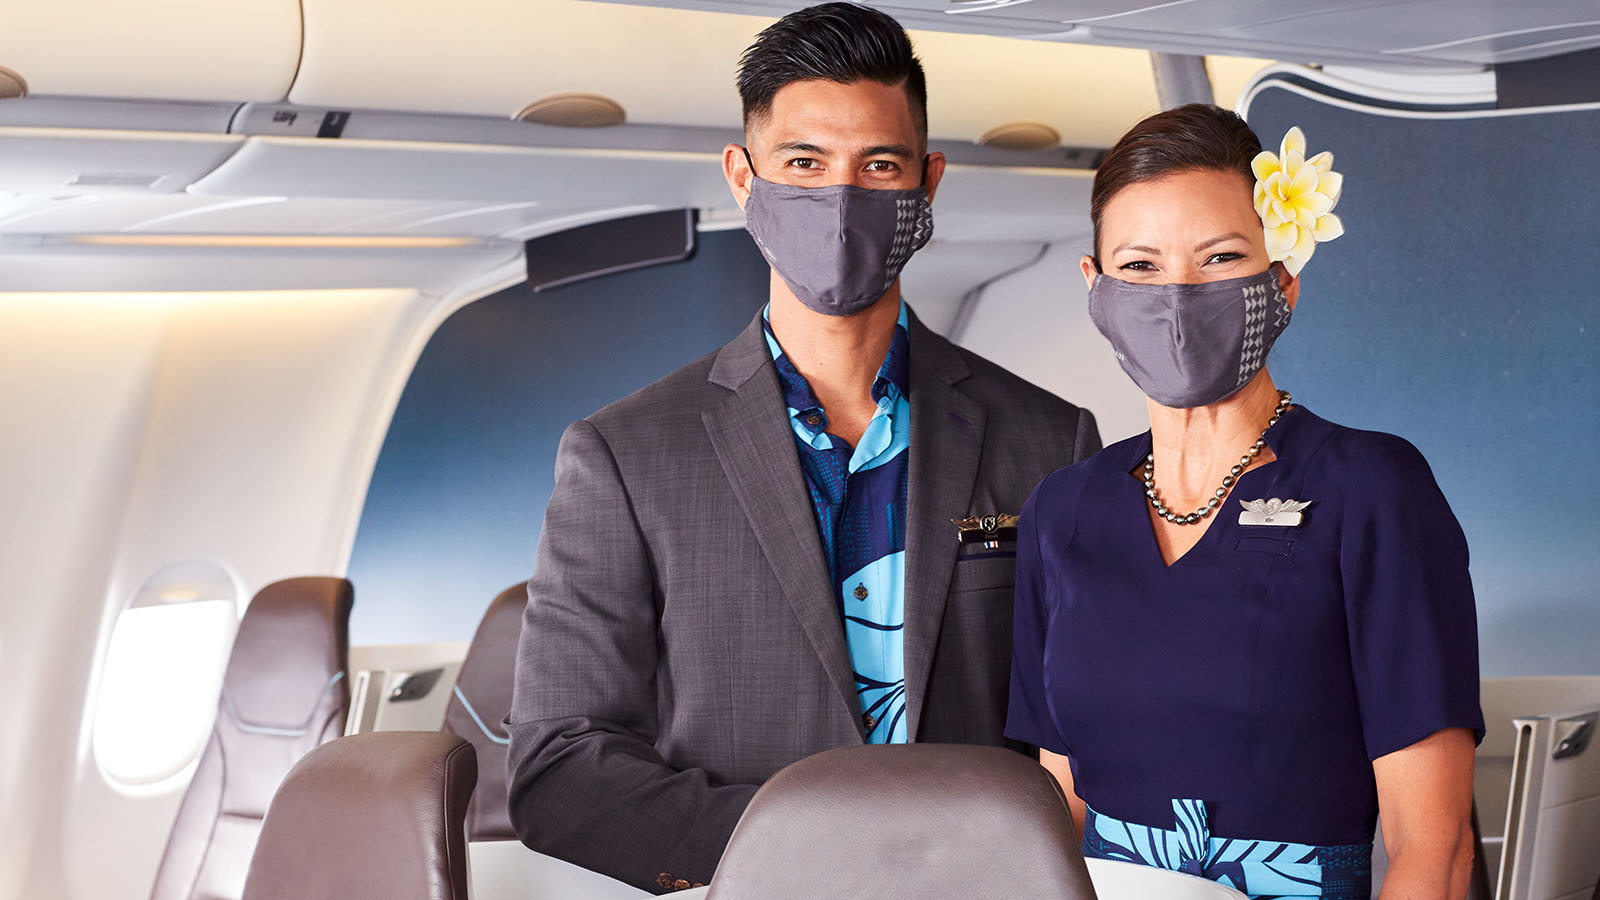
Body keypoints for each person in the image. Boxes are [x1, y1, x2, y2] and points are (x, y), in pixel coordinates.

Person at [506, 4, 1101, 893]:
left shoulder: (1048, 439)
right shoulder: (626, 457)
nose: (841, 198)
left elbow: (1085, 728)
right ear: (743, 179)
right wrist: (803, 856)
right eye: (804, 164)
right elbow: (560, 767)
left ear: (927, 185)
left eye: (880, 166)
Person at [1006, 104, 1483, 900]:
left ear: (1282, 281)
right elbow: (1056, 809)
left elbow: (1434, 853)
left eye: (1221, 259)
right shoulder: (1063, 511)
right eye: (1142, 267)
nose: (1178, 297)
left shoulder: (1369, 490)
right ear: (1097, 291)